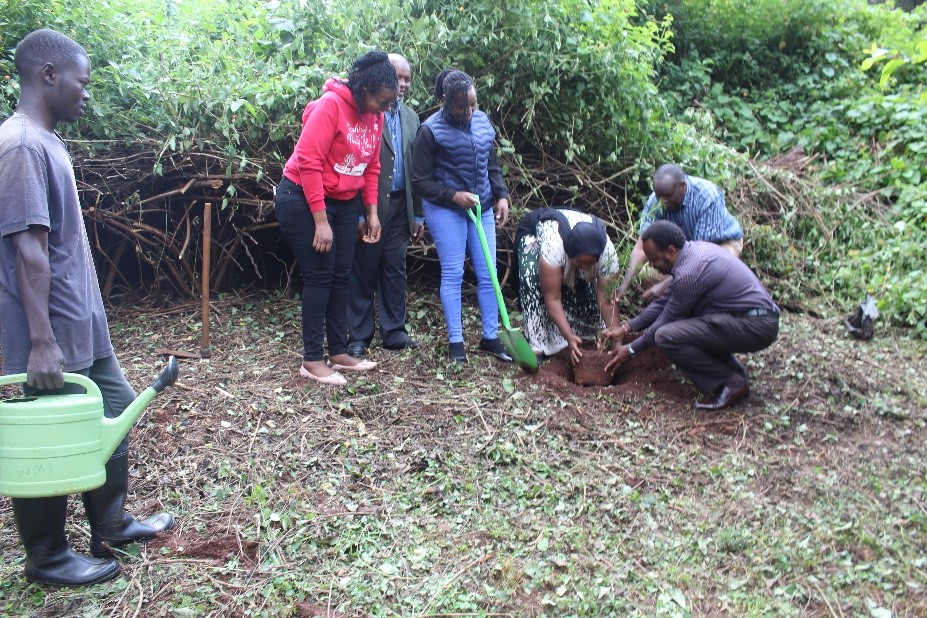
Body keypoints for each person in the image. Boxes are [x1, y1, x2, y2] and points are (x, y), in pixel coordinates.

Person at [0, 29, 174, 587]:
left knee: (116, 411)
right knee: (49, 439)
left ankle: (111, 523)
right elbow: (28, 250)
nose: (87, 93)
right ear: (49, 74)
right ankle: (48, 557)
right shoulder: (21, 145)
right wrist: (41, 342)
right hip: (47, 333)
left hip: (81, 325)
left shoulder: (48, 140)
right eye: (83, 81)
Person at [276, 51, 398, 385]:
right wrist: (320, 221)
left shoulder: (377, 118)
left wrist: (371, 213)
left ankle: (340, 351)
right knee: (320, 276)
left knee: (342, 274)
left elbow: (371, 167)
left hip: (344, 202)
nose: (385, 109)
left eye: (390, 104)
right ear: (365, 89)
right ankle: (312, 359)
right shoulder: (330, 106)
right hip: (302, 196)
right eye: (382, 101)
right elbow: (309, 162)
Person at [603, 221, 779, 410]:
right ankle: (734, 372)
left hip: (756, 326)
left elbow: (664, 321)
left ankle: (729, 382)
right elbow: (663, 303)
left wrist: (630, 350)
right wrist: (627, 328)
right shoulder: (693, 253)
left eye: (653, 259)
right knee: (688, 325)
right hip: (750, 319)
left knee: (666, 335)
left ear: (671, 251)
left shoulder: (690, 272)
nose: (651, 265)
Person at [411, 69, 512, 364]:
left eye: (473, 104)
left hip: (480, 205)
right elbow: (420, 181)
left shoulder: (481, 122)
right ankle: (456, 343)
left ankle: (490, 337)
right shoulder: (430, 130)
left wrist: (502, 195)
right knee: (453, 273)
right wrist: (453, 196)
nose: (469, 111)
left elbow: (491, 164)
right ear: (445, 101)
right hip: (445, 208)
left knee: (489, 273)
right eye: (462, 106)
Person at [347, 53, 424, 357]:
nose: (403, 84)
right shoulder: (363, 113)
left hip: (401, 205)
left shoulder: (411, 117)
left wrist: (418, 213)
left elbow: (417, 170)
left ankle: (394, 332)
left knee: (395, 269)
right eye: (398, 77)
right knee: (364, 268)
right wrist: (359, 214)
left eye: (407, 78)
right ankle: (359, 336)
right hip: (370, 206)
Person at [615, 164, 744, 301]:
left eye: (668, 196)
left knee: (709, 274)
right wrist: (623, 286)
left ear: (683, 186)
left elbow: (701, 258)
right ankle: (677, 304)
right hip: (684, 250)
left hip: (721, 244)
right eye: (659, 197)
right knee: (645, 274)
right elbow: (641, 247)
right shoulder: (656, 201)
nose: (663, 202)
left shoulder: (707, 196)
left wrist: (664, 286)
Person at [515, 207, 620, 363]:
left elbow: (607, 300)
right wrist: (569, 336)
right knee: (531, 275)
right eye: (579, 263)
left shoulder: (608, 255)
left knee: (586, 292)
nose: (584, 267)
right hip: (534, 235)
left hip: (580, 244)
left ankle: (581, 335)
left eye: (589, 264)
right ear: (569, 254)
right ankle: (538, 345)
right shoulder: (554, 247)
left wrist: (617, 336)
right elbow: (552, 299)